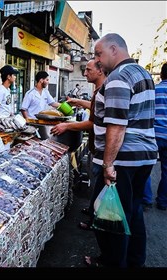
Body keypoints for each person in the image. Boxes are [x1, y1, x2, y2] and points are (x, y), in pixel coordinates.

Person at [85, 33, 158, 268]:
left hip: (124, 161)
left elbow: (116, 126)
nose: (97, 60)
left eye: (99, 54)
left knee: (111, 216)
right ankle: (135, 261)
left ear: (114, 49)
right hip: (144, 157)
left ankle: (113, 263)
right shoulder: (142, 73)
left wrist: (108, 165)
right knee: (133, 212)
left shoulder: (118, 77)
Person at [50, 59, 107, 230]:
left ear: (100, 71)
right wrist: (78, 101)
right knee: (97, 185)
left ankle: (95, 221)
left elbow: (93, 123)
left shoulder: (103, 89)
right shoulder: (98, 90)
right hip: (96, 146)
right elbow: (95, 107)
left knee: (99, 186)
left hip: (101, 148)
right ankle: (92, 212)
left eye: (88, 70)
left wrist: (66, 125)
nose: (84, 73)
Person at [142, 62, 167, 211]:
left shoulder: (154, 90)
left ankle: (146, 199)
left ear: (162, 75)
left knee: (146, 166)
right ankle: (163, 202)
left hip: (154, 133)